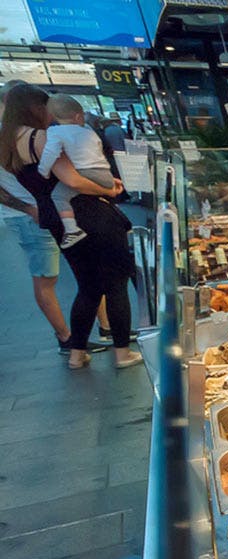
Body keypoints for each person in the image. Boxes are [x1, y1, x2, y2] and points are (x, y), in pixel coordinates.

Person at [0, 84, 136, 369]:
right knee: (116, 281)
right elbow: (72, 180)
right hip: (87, 213)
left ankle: (76, 353)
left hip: (56, 217)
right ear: (36, 108)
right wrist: (109, 189)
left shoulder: (8, 143)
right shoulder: (40, 138)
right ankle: (122, 352)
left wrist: (27, 208)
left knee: (88, 285)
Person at [38, 94, 117, 248]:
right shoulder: (88, 130)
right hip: (104, 173)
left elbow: (50, 154)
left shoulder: (55, 132)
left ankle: (72, 230)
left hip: (84, 172)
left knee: (58, 196)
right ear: (78, 116)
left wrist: (44, 170)